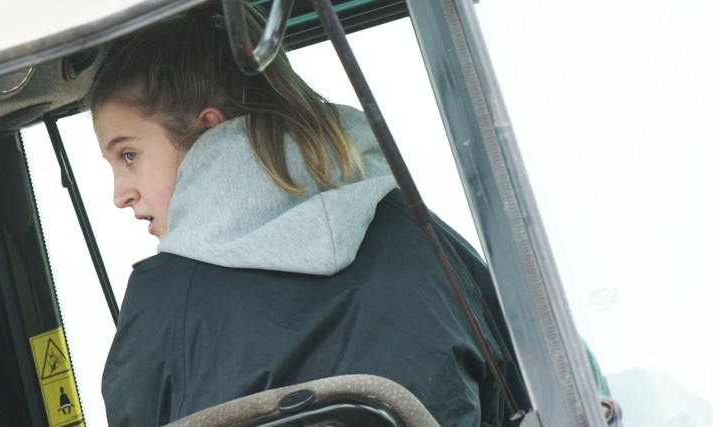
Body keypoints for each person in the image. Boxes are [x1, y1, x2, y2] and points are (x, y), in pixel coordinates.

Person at [89, 9, 525, 427]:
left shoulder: (161, 307)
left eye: (129, 155)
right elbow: (526, 392)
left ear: (208, 129)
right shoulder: (422, 237)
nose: (120, 195)